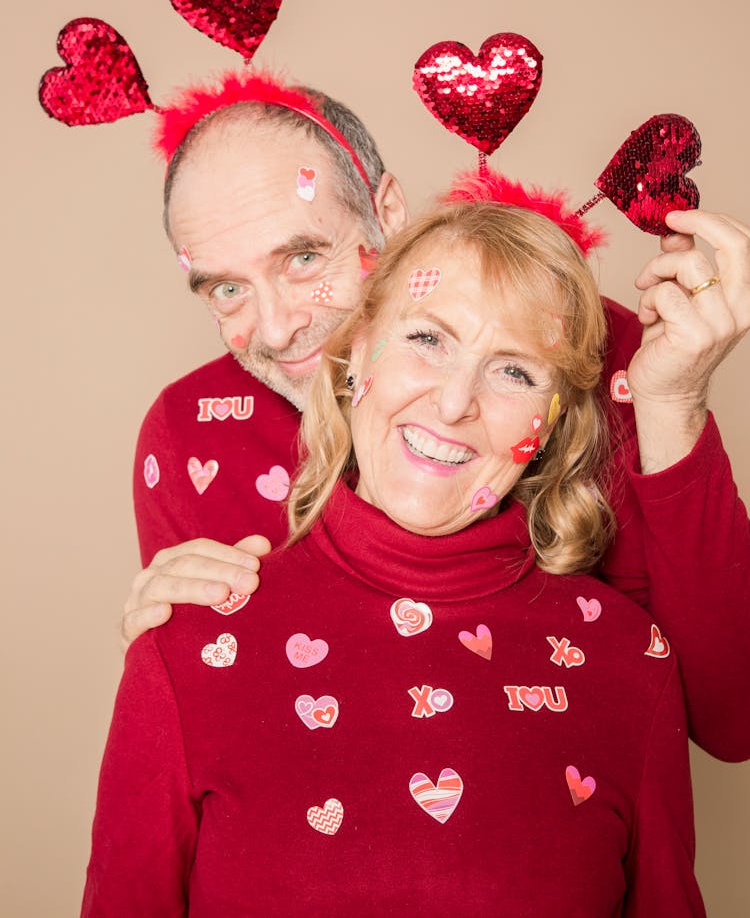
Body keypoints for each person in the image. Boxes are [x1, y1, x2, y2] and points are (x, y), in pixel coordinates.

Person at [83, 198, 705, 916]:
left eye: (514, 372)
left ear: (555, 420)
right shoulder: (185, 648)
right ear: (355, 351)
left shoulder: (633, 663)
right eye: (428, 339)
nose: (451, 403)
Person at [125, 71, 750, 763]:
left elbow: (731, 719)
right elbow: (225, 753)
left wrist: (674, 405)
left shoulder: (587, 356)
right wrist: (167, 663)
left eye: (304, 257)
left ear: (386, 211)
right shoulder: (192, 435)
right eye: (227, 288)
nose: (276, 330)